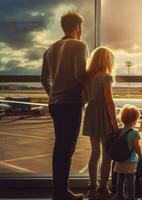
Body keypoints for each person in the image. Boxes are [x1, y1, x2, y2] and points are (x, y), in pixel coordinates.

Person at [40, 11, 87, 200]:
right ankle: (62, 192)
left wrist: (53, 94)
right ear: (77, 27)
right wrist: (85, 96)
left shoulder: (49, 49)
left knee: (59, 147)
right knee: (67, 150)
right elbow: (80, 74)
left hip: (56, 104)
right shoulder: (78, 45)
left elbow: (44, 79)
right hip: (71, 103)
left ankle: (58, 191)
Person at [82, 47, 118, 199]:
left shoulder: (88, 77)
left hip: (91, 114)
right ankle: (103, 188)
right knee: (107, 154)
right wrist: (115, 123)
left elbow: (84, 98)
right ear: (107, 60)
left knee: (94, 152)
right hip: (103, 115)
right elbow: (109, 102)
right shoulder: (106, 77)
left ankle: (92, 186)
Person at [113, 105, 142, 200]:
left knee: (120, 179)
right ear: (135, 120)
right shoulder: (134, 133)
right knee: (130, 180)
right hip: (130, 161)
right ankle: (131, 197)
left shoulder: (119, 131)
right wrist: (140, 155)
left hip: (120, 160)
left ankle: (119, 195)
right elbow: (136, 147)